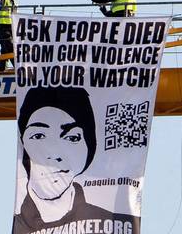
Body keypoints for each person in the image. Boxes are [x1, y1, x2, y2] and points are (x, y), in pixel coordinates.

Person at [13, 86, 140, 234]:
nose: (54, 153)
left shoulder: (114, 223)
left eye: (72, 138)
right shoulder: (21, 222)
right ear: (22, 141)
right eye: (39, 136)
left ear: (89, 148)